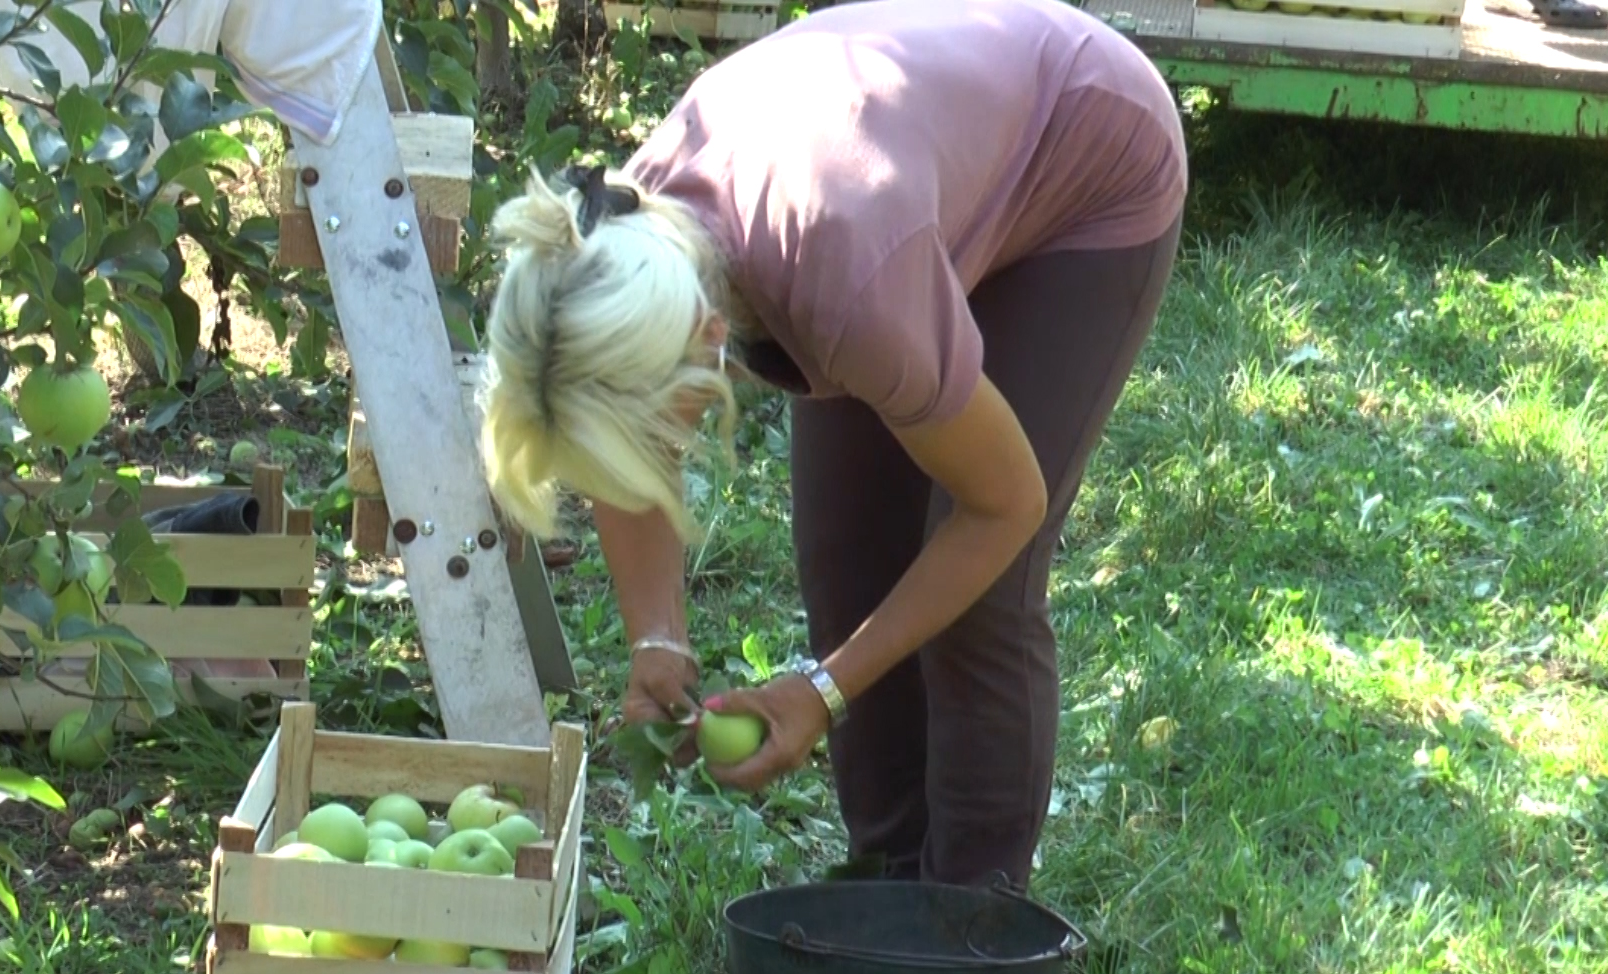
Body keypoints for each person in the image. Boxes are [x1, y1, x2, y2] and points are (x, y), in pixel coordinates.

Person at [476, 0, 1188, 889]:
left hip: (1087, 151)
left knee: (979, 596)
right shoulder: (618, 243)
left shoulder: (848, 278)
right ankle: (887, 891)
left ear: (707, 346)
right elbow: (634, 454)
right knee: (851, 565)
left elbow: (1005, 505)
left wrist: (824, 690)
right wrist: (656, 635)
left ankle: (970, 929)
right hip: (895, 179)